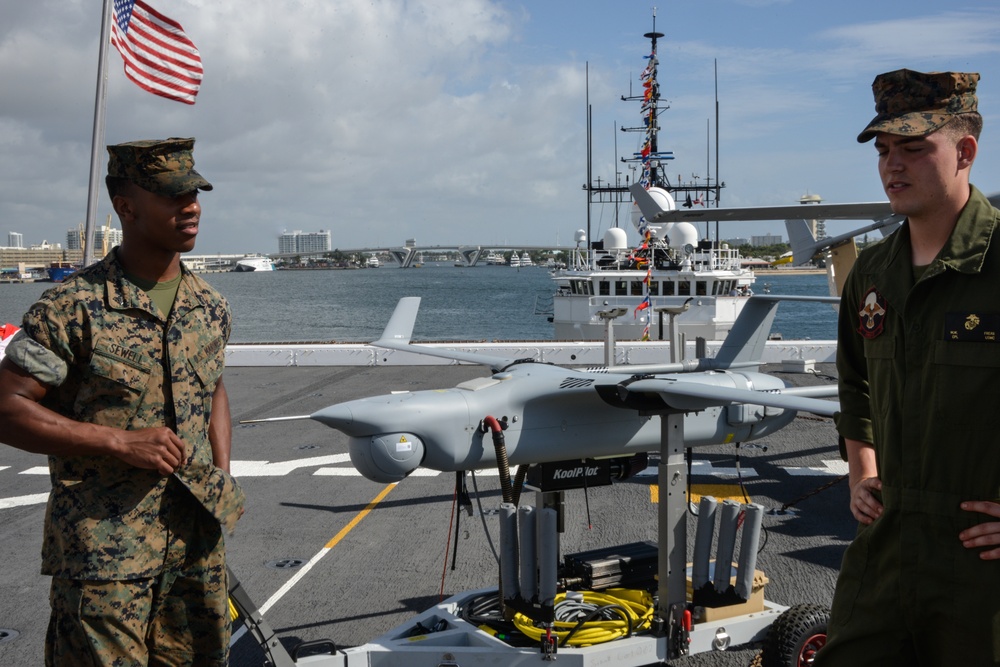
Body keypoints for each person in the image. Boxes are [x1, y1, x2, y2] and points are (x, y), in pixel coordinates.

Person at [0, 138, 245, 666]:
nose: (192, 206)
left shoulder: (210, 305)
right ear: (126, 207)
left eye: (195, 194)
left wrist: (221, 475)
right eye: (173, 195)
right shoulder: (71, 308)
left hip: (195, 548)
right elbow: (7, 406)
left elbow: (214, 388)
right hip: (105, 558)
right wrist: (117, 441)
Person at [818, 70, 1000, 665]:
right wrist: (860, 470)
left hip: (980, 567)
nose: (893, 166)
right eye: (884, 150)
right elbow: (854, 383)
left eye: (914, 148)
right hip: (886, 547)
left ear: (965, 151)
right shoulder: (871, 274)